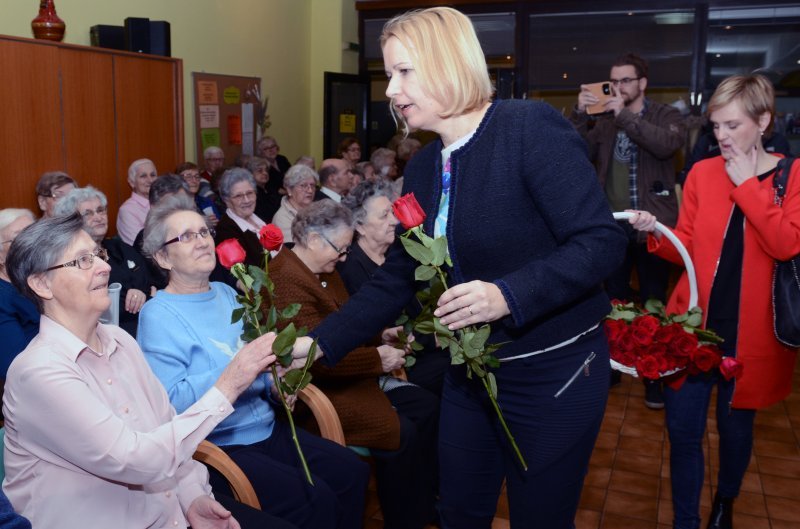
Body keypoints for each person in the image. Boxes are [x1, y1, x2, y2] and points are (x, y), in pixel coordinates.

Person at [291, 7, 627, 528]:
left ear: (448, 63)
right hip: (472, 374)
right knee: (459, 512)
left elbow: (601, 241)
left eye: (404, 72)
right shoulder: (425, 165)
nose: (391, 90)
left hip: (553, 372)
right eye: (389, 74)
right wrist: (320, 344)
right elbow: (399, 274)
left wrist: (507, 295)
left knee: (540, 516)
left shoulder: (526, 128)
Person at [3, 213, 295, 529]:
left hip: (166, 512)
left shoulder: (118, 340)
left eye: (98, 254)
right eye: (83, 261)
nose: (104, 266)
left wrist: (192, 497)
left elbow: (167, 428)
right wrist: (229, 383)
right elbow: (135, 459)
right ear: (42, 283)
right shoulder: (38, 372)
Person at [628, 74, 800, 529]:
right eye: (715, 126)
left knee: (735, 431)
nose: (720, 136)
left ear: (763, 121)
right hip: (691, 330)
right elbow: (686, 244)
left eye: (732, 125)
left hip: (752, 336)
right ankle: (686, 520)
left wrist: (748, 186)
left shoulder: (793, 175)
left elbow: (786, 243)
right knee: (682, 433)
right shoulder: (703, 172)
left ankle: (725, 504)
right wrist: (655, 234)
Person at [137, 196, 370, 529]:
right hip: (220, 445)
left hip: (268, 426)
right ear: (163, 256)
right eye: (186, 236)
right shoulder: (157, 315)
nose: (202, 240)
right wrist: (237, 371)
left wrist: (278, 384)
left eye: (203, 232)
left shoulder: (227, 292)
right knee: (316, 501)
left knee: (352, 472)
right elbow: (172, 403)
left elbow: (260, 364)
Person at [271, 199, 439, 529]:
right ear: (315, 239)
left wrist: (380, 335)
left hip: (351, 379)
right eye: (341, 249)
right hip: (319, 390)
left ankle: (422, 503)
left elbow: (345, 324)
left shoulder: (324, 270)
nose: (345, 257)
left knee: (427, 406)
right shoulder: (285, 279)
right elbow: (315, 361)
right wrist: (376, 358)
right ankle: (404, 518)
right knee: (400, 432)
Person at [570, 53, 685, 409]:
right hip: (613, 225)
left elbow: (665, 145)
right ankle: (615, 369)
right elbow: (574, 151)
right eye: (613, 81)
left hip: (653, 225)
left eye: (625, 80)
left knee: (653, 303)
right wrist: (578, 114)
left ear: (642, 83)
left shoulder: (666, 115)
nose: (617, 87)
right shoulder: (603, 121)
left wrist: (624, 115)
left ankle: (653, 377)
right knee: (613, 302)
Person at [339, 181, 447, 394]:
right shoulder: (350, 268)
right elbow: (364, 329)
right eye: (383, 216)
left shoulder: (400, 256)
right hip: (394, 362)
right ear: (359, 226)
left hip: (429, 347)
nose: (394, 221)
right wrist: (430, 338)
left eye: (393, 213)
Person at [54, 186, 155, 337]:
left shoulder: (119, 247)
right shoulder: (71, 261)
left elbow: (148, 280)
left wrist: (140, 293)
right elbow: (104, 306)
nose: (98, 217)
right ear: (70, 221)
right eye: (88, 214)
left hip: (145, 323)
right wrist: (140, 296)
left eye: (101, 210)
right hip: (105, 334)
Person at [0, 208, 38, 377]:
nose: (32, 243)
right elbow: (13, 366)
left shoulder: (46, 280)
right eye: (19, 238)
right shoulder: (3, 299)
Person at [214, 168, 269, 268]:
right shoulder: (225, 232)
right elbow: (243, 274)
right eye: (238, 196)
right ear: (226, 200)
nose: (247, 200)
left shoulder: (260, 217)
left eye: (249, 193)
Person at [272, 165, 318, 243]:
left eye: (312, 185)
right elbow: (297, 250)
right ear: (289, 189)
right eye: (303, 185)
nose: (310, 190)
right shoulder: (282, 219)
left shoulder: (317, 209)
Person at [117, 158, 158, 245]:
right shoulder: (127, 210)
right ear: (132, 182)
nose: (150, 180)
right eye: (143, 176)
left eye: (153, 175)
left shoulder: (165, 203)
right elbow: (140, 245)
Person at [176, 161, 221, 227]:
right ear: (178, 180)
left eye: (197, 176)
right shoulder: (174, 204)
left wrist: (216, 223)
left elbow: (219, 225)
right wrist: (203, 222)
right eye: (189, 177)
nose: (194, 181)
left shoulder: (206, 202)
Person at [246, 156, 282, 222]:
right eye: (260, 171)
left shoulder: (270, 188)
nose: (265, 173)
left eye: (266, 170)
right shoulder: (251, 192)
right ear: (250, 174)